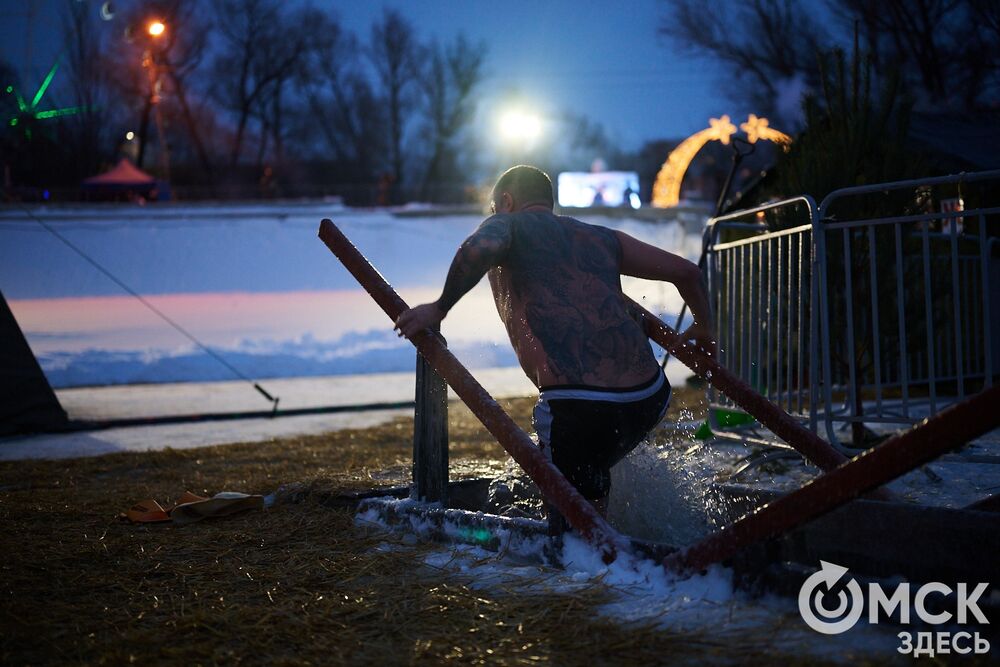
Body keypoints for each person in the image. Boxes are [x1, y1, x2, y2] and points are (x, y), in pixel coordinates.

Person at [395, 165, 715, 526]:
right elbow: (688, 272)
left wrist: (439, 308)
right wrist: (704, 328)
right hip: (648, 397)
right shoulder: (601, 237)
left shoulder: (508, 224)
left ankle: (588, 556)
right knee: (593, 477)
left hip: (577, 405)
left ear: (506, 201)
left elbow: (482, 246)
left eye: (493, 209)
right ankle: (617, 536)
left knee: (573, 525)